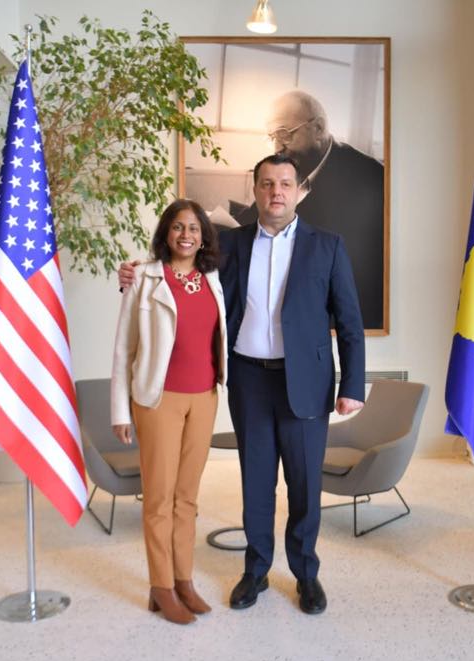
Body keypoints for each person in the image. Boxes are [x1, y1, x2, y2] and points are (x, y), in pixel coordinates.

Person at [120, 154, 365, 615]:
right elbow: (179, 270)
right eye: (267, 183)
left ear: (299, 191)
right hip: (248, 379)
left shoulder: (328, 246)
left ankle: (305, 573)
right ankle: (256, 570)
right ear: (255, 190)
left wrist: (352, 384)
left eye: (285, 183)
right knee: (256, 482)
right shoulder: (228, 245)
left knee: (304, 485)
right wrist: (134, 276)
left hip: (305, 384)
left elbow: (350, 322)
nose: (276, 192)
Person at [110, 199, 228, 626]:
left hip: (204, 399)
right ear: (166, 233)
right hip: (158, 401)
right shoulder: (143, 277)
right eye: (178, 227)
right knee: (159, 498)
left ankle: (183, 580)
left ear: (204, 237)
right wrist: (119, 411)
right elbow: (124, 348)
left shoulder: (211, 279)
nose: (186, 235)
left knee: (187, 498)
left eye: (194, 228)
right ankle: (161, 587)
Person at [236, 90, 385, 330]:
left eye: (285, 135)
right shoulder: (293, 170)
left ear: (318, 129)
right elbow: (253, 218)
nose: (277, 147)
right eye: (272, 137)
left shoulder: (369, 177)